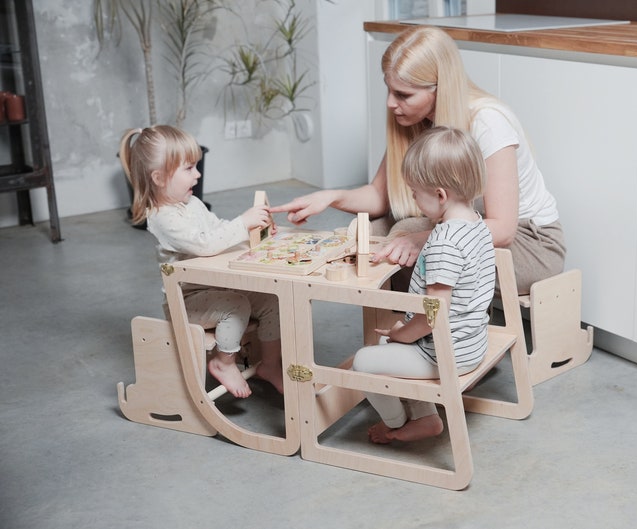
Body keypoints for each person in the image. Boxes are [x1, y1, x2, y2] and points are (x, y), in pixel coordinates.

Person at [270, 25, 564, 295]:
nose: (390, 103)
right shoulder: (414, 121)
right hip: (460, 226)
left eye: (403, 94)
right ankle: (389, 327)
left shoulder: (487, 122)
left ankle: (416, 333)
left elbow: (502, 228)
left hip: (528, 245)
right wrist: (330, 197)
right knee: (365, 235)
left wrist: (421, 238)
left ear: (439, 88)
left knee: (404, 236)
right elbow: (379, 197)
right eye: (389, 89)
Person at [352, 126, 496, 444]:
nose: (414, 201)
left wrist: (402, 332)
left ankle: (396, 423)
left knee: (363, 362)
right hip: (470, 340)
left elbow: (434, 314)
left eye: (415, 193)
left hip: (447, 353)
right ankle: (426, 418)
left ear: (441, 195)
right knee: (387, 346)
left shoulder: (445, 241)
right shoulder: (476, 224)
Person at [119, 125, 283, 398]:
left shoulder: (192, 203)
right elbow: (205, 244)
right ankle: (223, 362)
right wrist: (243, 222)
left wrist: (254, 234)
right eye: (189, 168)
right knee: (237, 306)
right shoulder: (162, 217)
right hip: (188, 301)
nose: (198, 174)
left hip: (217, 287)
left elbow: (219, 229)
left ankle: (270, 365)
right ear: (159, 178)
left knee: (271, 300)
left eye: (196, 166)